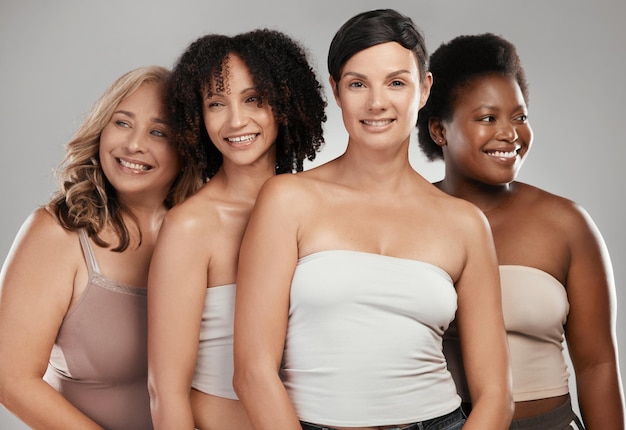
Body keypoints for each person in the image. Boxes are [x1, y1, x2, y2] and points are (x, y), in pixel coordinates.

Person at [234, 9, 513, 430]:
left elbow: (495, 396)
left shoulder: (465, 224)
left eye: (397, 82)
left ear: (424, 89)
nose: (377, 102)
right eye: (357, 84)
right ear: (336, 91)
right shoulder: (287, 199)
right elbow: (252, 372)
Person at [417, 33, 625, 429]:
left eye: (520, 116)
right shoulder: (406, 220)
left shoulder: (566, 224)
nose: (510, 133)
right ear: (439, 131)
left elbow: (597, 363)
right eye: (487, 118)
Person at [0, 65, 197, 430]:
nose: (134, 144)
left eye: (158, 132)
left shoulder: (203, 234)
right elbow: (11, 380)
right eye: (122, 122)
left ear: (187, 147)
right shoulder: (56, 232)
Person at [146, 29, 326, 430]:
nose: (235, 120)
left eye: (253, 100)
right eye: (216, 103)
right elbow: (166, 391)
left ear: (285, 103)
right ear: (197, 115)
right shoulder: (191, 225)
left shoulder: (322, 208)